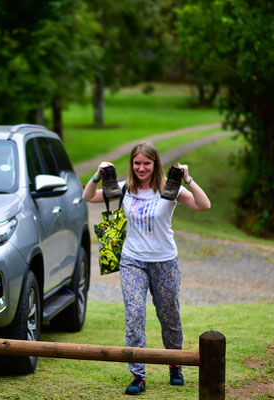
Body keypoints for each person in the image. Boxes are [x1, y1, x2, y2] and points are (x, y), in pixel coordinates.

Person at [82, 140, 211, 396]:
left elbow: (203, 204)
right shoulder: (123, 189)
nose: (141, 168)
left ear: (155, 164)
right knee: (134, 316)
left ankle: (175, 363)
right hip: (132, 261)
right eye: (137, 163)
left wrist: (188, 178)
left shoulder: (169, 188)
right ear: (131, 164)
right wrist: (97, 175)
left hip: (165, 261)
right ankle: (138, 375)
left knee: (169, 316)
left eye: (147, 163)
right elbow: (88, 197)